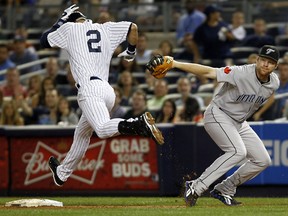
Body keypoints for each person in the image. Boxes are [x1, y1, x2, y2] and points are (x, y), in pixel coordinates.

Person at [40, 4, 164, 186]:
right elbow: (133, 27)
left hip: (89, 89)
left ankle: (137, 124)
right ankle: (62, 172)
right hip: (107, 90)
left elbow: (43, 40)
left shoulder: (69, 28)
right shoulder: (105, 28)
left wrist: (61, 20)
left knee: (102, 129)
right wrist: (131, 51)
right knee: (82, 133)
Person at [148, 45, 280, 206]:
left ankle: (225, 188)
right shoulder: (240, 72)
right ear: (257, 60)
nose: (266, 64)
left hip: (239, 122)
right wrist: (175, 64)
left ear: (276, 66)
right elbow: (209, 72)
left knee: (262, 160)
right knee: (237, 151)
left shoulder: (274, 83)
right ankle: (195, 186)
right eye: (263, 60)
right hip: (218, 114)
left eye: (271, 62)